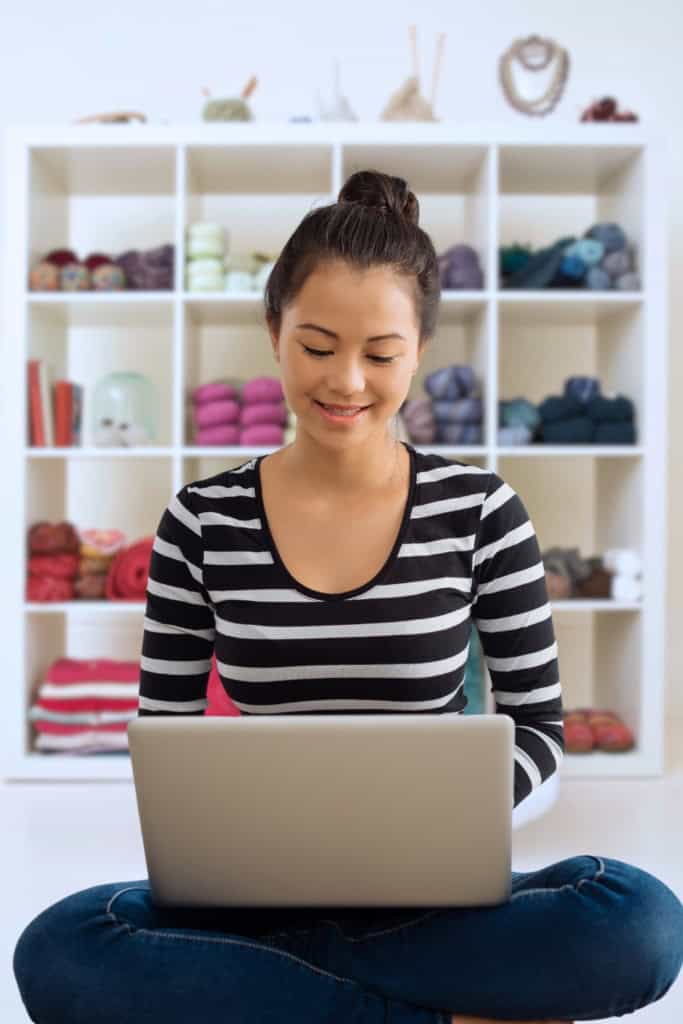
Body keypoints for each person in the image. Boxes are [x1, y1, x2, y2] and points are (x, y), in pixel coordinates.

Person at [13, 170, 683, 1024]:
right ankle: (440, 1014)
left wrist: (446, 818)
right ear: (273, 331)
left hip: (435, 896)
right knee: (62, 948)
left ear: (420, 349)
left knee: (639, 922)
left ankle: (287, 995)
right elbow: (167, 734)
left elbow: (541, 729)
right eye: (318, 346)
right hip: (252, 892)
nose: (347, 383)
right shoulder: (201, 520)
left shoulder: (480, 512)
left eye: (380, 353)